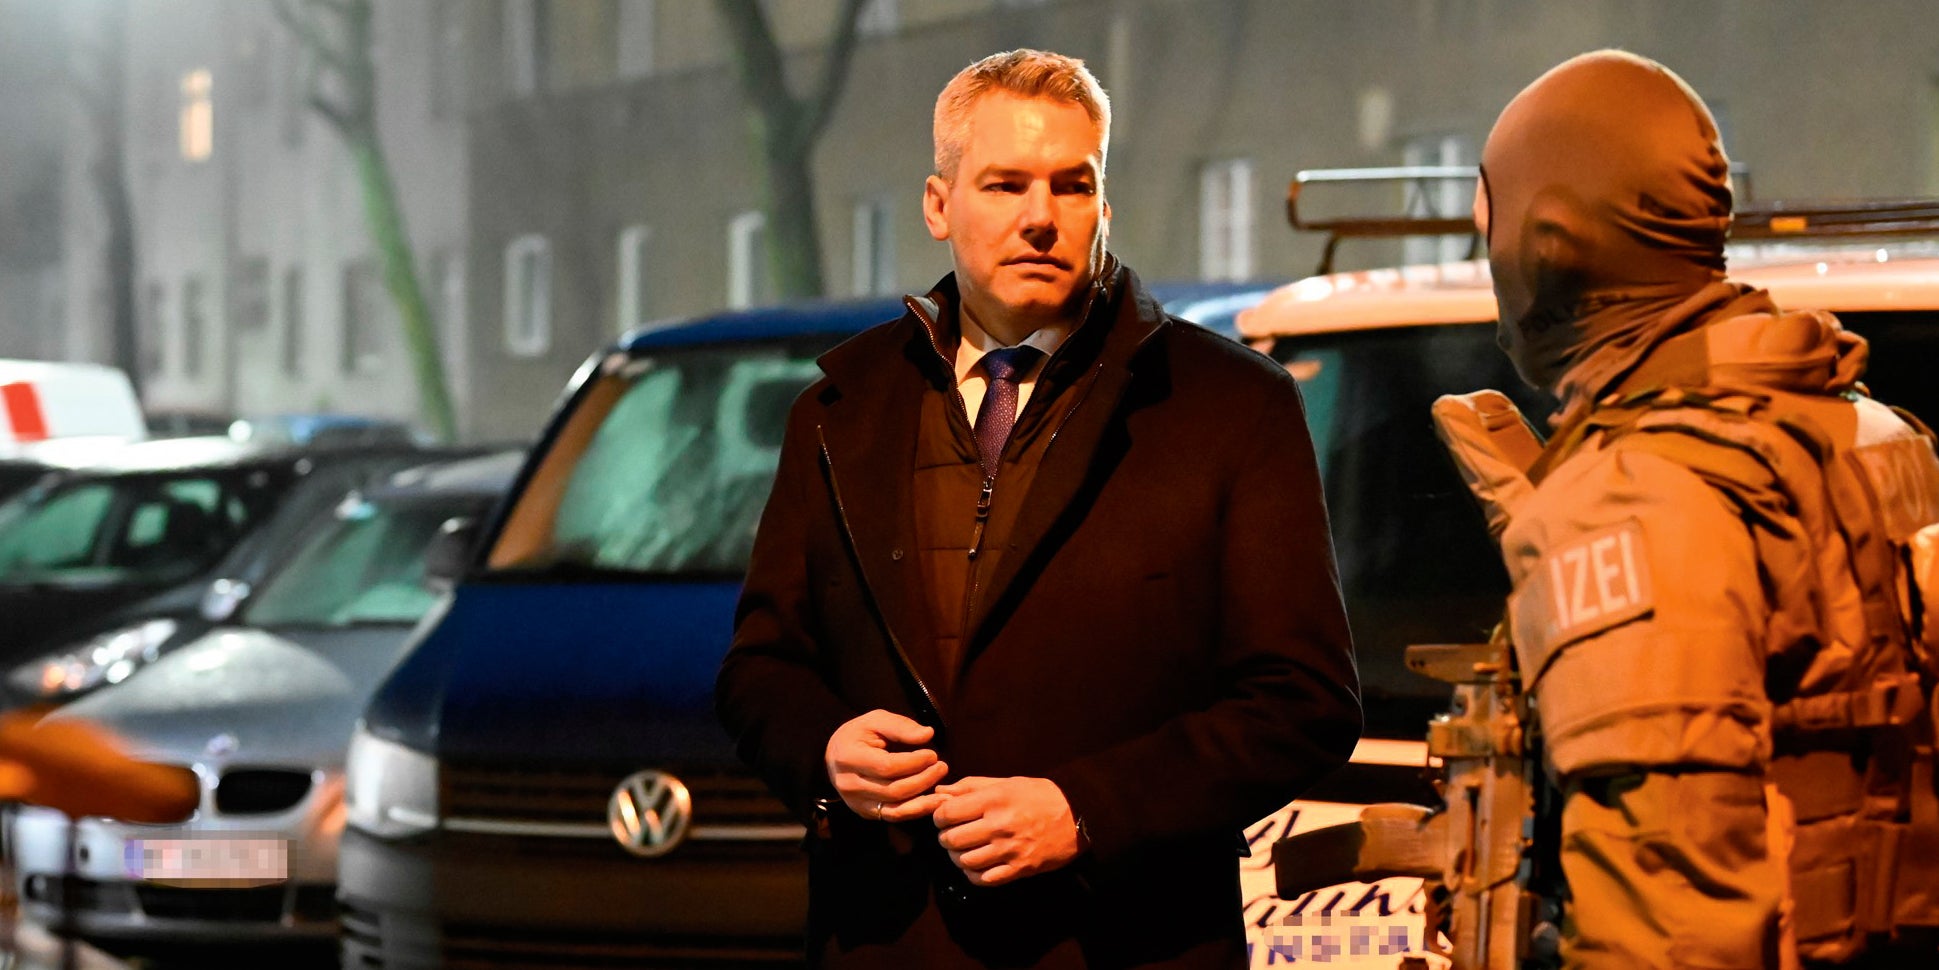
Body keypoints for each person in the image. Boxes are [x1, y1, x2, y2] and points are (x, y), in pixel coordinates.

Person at [715, 48, 1360, 969]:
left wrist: (1086, 811)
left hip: (1123, 941)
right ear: (938, 204)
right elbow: (760, 669)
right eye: (1005, 184)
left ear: (1103, 205)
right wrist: (825, 749)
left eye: (1071, 184)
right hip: (890, 939)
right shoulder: (836, 410)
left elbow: (1303, 702)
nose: (1040, 217)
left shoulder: (1231, 406)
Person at [1476, 51, 1939, 968]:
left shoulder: (1630, 488)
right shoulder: (1862, 427)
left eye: (1490, 223)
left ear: (1546, 244)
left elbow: (1673, 927)